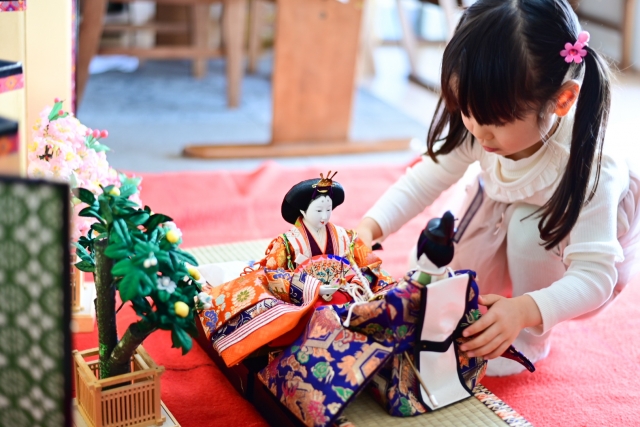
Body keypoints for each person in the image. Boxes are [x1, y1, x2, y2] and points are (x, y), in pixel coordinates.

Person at [356, 0, 640, 376]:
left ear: (562, 100)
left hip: (570, 248)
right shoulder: (482, 121)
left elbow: (594, 277)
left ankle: (529, 340)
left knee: (527, 226)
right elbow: (426, 177)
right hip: (501, 206)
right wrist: (368, 229)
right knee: (440, 277)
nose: (476, 129)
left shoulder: (591, 168)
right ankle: (493, 310)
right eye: (465, 110)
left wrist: (524, 310)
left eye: (493, 120)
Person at [200, 172, 394, 366]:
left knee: (386, 301)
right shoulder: (287, 243)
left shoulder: (346, 237)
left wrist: (354, 284)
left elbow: (369, 267)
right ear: (302, 211)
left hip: (345, 296)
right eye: (318, 210)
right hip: (303, 301)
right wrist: (314, 287)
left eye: (328, 209)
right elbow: (271, 274)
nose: (324, 216)